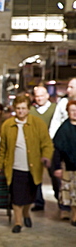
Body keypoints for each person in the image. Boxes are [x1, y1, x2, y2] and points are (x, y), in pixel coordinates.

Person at [0, 94, 54, 233]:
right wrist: (0, 164)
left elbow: (47, 143)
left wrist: (46, 156)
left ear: (28, 109)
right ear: (14, 109)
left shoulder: (38, 124)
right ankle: (18, 222)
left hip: (32, 167)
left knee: (29, 195)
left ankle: (26, 213)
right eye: (18, 108)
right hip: (14, 166)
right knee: (16, 196)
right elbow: (3, 147)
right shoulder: (7, 125)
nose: (21, 111)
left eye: (23, 108)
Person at [48, 78, 76, 219]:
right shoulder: (62, 104)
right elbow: (55, 124)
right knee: (64, 183)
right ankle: (64, 207)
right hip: (64, 150)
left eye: (71, 87)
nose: (68, 90)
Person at [29, 86, 57, 212]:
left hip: (52, 147)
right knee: (36, 175)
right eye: (37, 96)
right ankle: (38, 201)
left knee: (55, 174)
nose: (39, 98)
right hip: (35, 147)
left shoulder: (55, 109)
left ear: (47, 95)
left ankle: (61, 200)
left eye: (41, 95)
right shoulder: (31, 111)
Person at [52, 100, 76, 227]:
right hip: (69, 167)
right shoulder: (63, 129)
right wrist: (57, 167)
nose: (75, 113)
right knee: (72, 193)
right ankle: (74, 215)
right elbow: (57, 150)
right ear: (68, 112)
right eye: (72, 110)